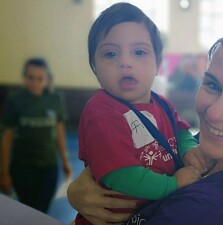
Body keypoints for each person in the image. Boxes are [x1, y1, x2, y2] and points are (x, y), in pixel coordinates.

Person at [68, 22, 223, 225]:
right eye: (212, 85)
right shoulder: (213, 148)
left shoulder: (206, 210)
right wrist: (79, 192)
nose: (215, 113)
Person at [75, 3, 206, 225]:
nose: (125, 62)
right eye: (111, 53)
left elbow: (181, 131)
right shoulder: (101, 111)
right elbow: (122, 175)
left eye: (139, 52)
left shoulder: (162, 103)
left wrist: (188, 151)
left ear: (157, 64)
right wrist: (173, 184)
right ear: (94, 66)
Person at [0, 57, 72, 213]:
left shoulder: (55, 99)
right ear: (24, 77)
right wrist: (3, 172)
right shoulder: (15, 101)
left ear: (47, 80)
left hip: (49, 167)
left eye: (40, 79)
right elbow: (7, 137)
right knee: (28, 209)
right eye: (30, 78)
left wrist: (65, 161)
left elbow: (59, 130)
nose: (35, 83)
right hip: (22, 167)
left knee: (42, 210)